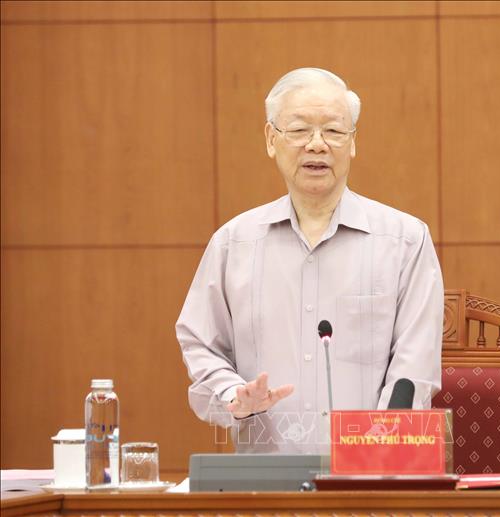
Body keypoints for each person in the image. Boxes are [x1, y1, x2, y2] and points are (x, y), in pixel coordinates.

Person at [176, 68, 444, 453]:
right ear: (272, 139)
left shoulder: (404, 241)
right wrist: (234, 393)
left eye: (334, 131)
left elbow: (413, 369)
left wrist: (373, 455)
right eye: (300, 130)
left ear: (352, 142)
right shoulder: (234, 244)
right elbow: (200, 341)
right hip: (263, 489)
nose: (317, 145)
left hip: (370, 482)